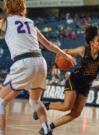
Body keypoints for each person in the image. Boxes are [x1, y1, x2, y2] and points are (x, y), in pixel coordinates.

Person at [33, 25, 99, 134]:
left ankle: (49, 127)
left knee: (76, 113)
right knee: (66, 106)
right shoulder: (83, 50)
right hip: (75, 80)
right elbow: (65, 51)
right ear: (91, 43)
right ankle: (46, 106)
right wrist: (57, 63)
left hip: (86, 85)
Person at [0, 0, 76, 135]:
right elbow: (48, 45)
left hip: (23, 62)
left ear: (8, 6)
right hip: (41, 62)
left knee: (0, 103)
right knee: (35, 101)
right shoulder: (30, 23)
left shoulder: (4, 22)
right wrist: (66, 55)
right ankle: (47, 129)